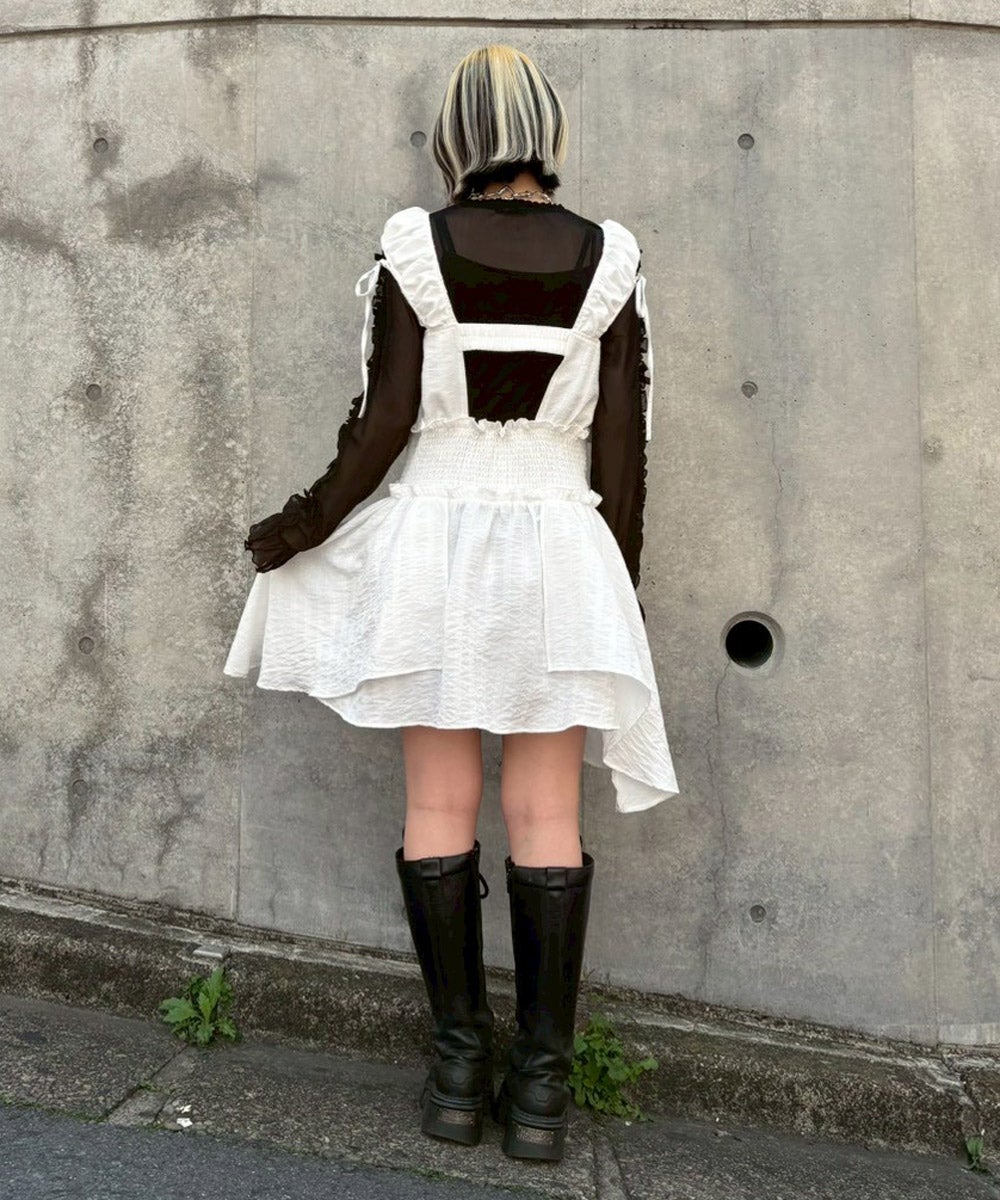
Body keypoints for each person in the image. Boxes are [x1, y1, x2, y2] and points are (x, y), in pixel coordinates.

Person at [223, 43, 679, 1163]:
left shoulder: (413, 249)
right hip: (561, 544)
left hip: (432, 544)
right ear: (548, 132)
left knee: (438, 801)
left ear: (454, 137)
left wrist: (302, 526)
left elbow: (383, 423)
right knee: (546, 812)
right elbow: (622, 453)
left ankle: (457, 1072)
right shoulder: (610, 260)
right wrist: (613, 587)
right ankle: (542, 1097)